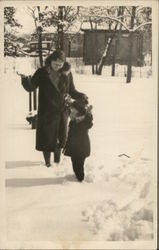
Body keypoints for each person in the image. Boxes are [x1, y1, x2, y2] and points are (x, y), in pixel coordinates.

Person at [21, 49, 87, 167]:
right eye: (55, 64)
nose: (58, 66)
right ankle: (47, 163)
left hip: (62, 111)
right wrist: (25, 80)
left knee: (61, 137)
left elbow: (71, 90)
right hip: (47, 111)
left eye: (60, 64)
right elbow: (31, 87)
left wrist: (81, 95)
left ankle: (57, 162)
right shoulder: (42, 72)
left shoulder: (67, 73)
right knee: (47, 138)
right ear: (50, 61)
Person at [63, 97, 93, 182]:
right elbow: (70, 134)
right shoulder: (73, 122)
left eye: (73, 112)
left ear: (79, 113)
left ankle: (80, 179)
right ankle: (78, 176)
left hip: (82, 147)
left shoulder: (83, 122)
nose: (71, 114)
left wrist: (88, 114)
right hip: (74, 147)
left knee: (79, 164)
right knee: (75, 163)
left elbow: (89, 123)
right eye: (71, 113)